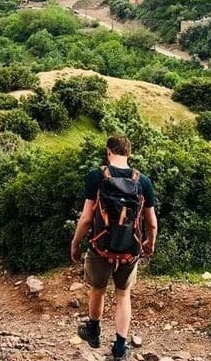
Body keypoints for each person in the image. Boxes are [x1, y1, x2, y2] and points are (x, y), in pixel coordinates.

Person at [70, 135, 158, 361]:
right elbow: (152, 221)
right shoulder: (143, 181)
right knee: (123, 294)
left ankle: (94, 330)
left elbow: (87, 218)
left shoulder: (95, 177)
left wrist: (75, 243)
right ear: (128, 153)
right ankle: (120, 347)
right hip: (129, 250)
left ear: (108, 151)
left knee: (97, 289)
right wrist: (149, 243)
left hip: (100, 247)